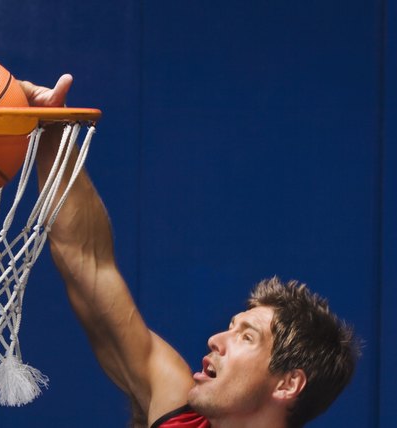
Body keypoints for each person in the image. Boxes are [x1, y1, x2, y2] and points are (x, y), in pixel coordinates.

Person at [19, 75, 359, 428]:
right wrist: (52, 128)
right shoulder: (177, 411)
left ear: (288, 383)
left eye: (246, 337)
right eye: (232, 327)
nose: (215, 340)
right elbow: (86, 263)